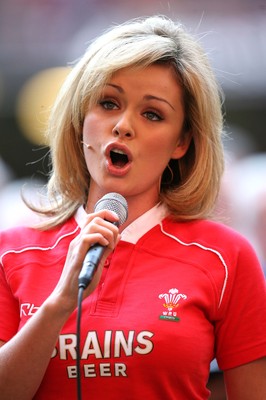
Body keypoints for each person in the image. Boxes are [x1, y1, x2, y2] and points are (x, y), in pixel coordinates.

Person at [0, 15, 265, 400]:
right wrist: (58, 304)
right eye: (108, 103)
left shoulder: (227, 256)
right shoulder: (12, 252)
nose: (124, 125)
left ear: (181, 142)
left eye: (152, 114)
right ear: (79, 120)